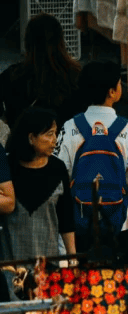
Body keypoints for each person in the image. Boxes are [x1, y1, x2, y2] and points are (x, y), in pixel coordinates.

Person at [57, 59, 128, 267]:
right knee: (115, 287)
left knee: (85, 288)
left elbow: (60, 176)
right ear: (112, 92)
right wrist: (120, 193)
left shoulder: (69, 127)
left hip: (79, 222)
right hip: (120, 223)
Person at [3, 107, 76, 259]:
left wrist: (72, 256)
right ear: (31, 138)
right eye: (49, 134)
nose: (54, 139)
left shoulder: (58, 169)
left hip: (48, 264)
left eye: (55, 133)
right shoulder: (6, 168)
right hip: (11, 266)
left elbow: (66, 218)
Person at [0, 12, 81, 130]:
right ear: (61, 41)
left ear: (27, 43)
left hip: (22, 144)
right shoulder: (76, 76)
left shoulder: (11, 76)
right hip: (66, 145)